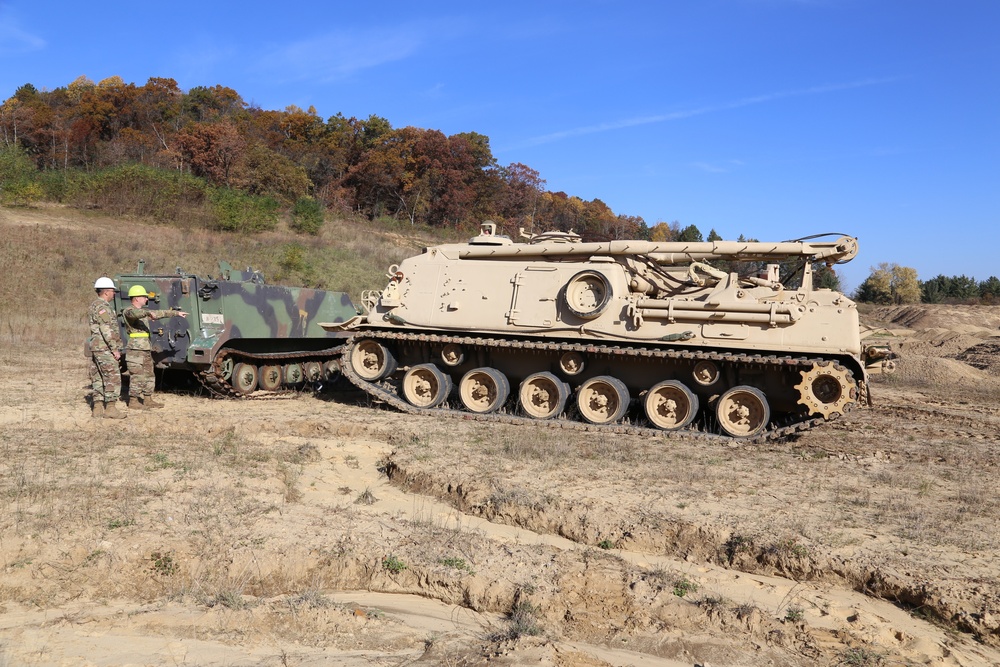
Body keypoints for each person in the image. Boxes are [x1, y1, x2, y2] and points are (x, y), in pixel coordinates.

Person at [121, 285, 188, 410]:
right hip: (135, 349)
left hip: (145, 348)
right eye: (144, 297)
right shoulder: (129, 310)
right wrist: (148, 313)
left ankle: (148, 399)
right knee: (137, 375)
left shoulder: (144, 312)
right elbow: (135, 314)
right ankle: (134, 401)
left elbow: (159, 313)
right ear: (136, 298)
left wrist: (176, 313)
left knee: (149, 374)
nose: (146, 299)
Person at [88, 277, 126, 419]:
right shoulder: (103, 307)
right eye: (112, 291)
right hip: (104, 347)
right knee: (112, 376)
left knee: (98, 376)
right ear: (106, 292)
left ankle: (97, 408)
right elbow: (106, 330)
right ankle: (110, 408)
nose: (114, 294)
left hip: (97, 347)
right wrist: (114, 349)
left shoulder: (93, 305)